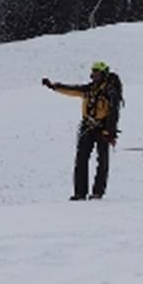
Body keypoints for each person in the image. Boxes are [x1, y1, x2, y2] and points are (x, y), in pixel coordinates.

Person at [43, 61, 122, 200]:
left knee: (102, 161)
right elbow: (72, 90)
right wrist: (54, 86)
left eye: (97, 73)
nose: (94, 76)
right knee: (81, 159)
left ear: (104, 74)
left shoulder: (110, 91)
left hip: (103, 129)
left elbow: (114, 112)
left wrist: (110, 132)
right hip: (87, 127)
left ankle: (98, 192)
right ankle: (80, 193)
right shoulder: (89, 89)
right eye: (93, 73)